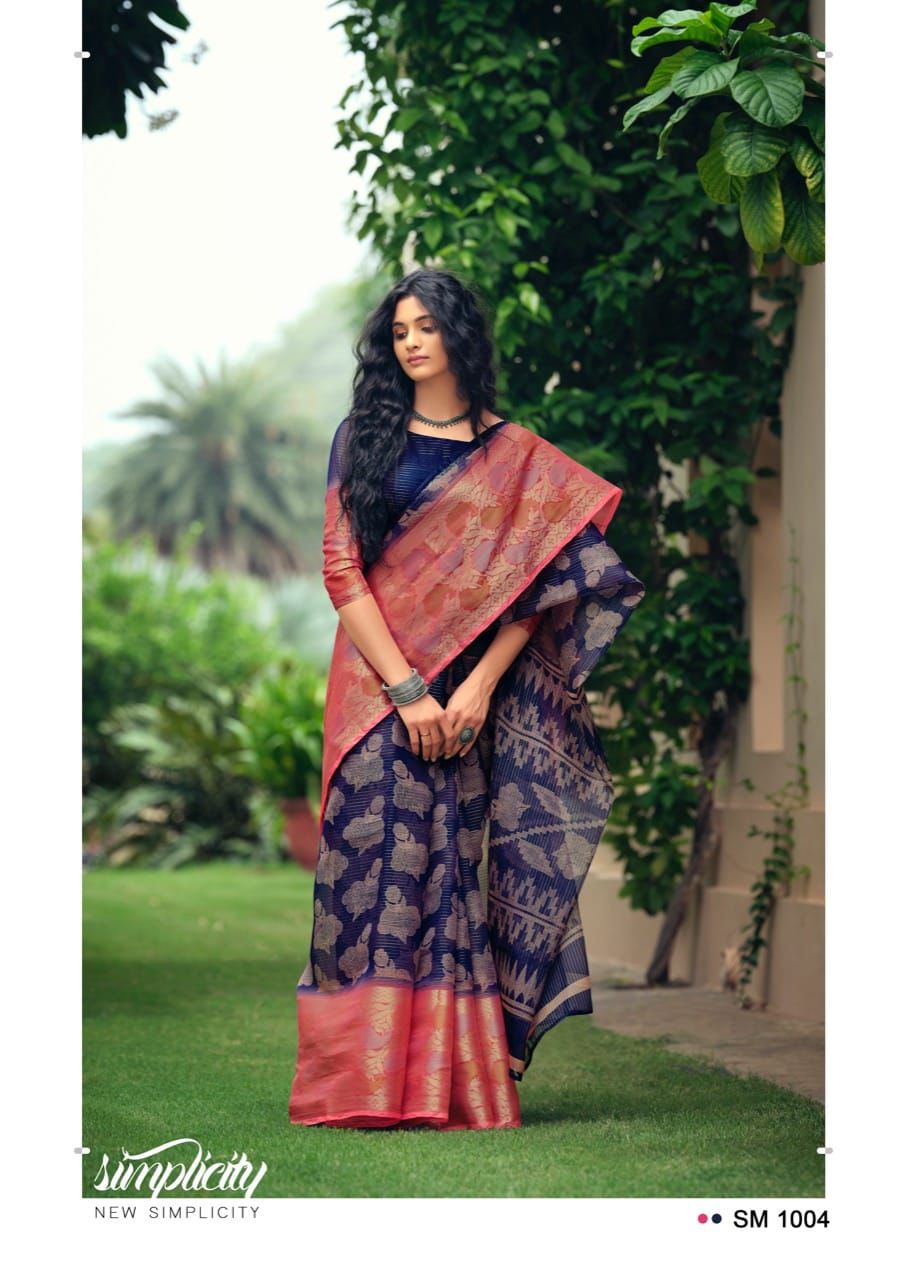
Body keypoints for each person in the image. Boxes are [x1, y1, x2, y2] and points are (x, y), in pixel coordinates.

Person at [288, 267, 645, 1130]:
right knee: (371, 870)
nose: (411, 342)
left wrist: (478, 690)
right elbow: (341, 569)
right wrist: (408, 691)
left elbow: (539, 584)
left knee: (451, 871)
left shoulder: (513, 454)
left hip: (467, 696)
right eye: (398, 330)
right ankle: (358, 1084)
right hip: (377, 690)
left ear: (458, 335)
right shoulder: (363, 437)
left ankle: (450, 1086)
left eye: (426, 326)